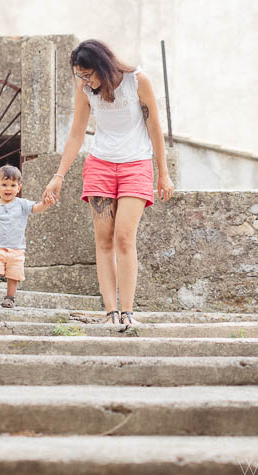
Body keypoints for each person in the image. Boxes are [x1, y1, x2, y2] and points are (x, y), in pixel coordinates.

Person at [43, 39, 174, 328]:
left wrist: (163, 172)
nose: (85, 80)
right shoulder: (85, 90)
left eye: (89, 74)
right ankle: (110, 313)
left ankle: (128, 312)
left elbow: (154, 128)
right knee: (103, 240)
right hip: (100, 165)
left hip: (136, 165)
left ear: (103, 65)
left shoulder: (137, 81)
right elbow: (77, 133)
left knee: (124, 238)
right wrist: (59, 175)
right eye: (80, 75)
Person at [0, 164, 53, 309]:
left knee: (14, 275)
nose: (8, 188)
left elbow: (36, 208)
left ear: (18, 188)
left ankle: (10, 298)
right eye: (4, 184)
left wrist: (45, 204)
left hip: (16, 248)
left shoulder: (22, 204)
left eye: (13, 185)